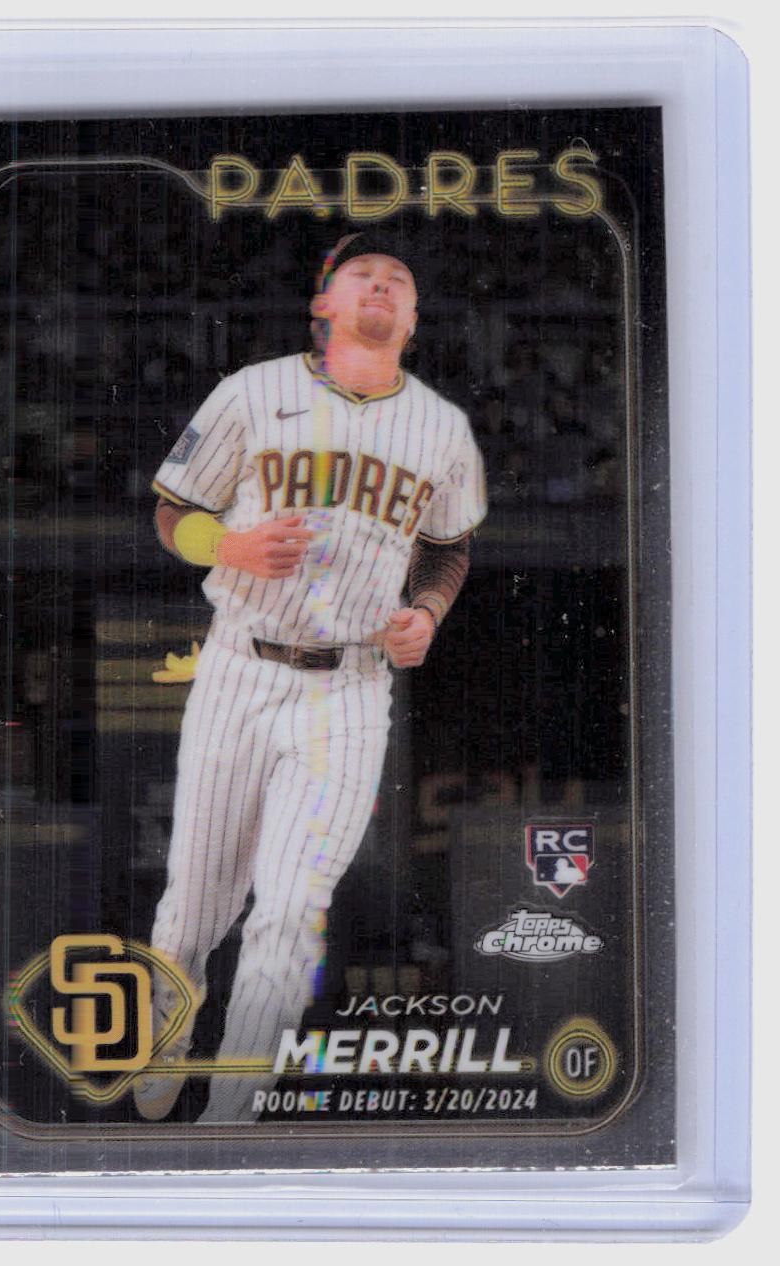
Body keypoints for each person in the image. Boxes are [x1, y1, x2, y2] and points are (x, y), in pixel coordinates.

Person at [132, 232, 487, 1124]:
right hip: (239, 667)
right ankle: (166, 1038)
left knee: (292, 909)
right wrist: (230, 545)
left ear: (413, 317)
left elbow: (447, 548)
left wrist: (427, 614)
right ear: (323, 305)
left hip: (351, 687)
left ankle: (231, 1117)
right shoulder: (253, 390)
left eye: (398, 279)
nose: (382, 285)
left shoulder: (441, 426)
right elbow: (173, 511)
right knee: (195, 905)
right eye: (362, 275)